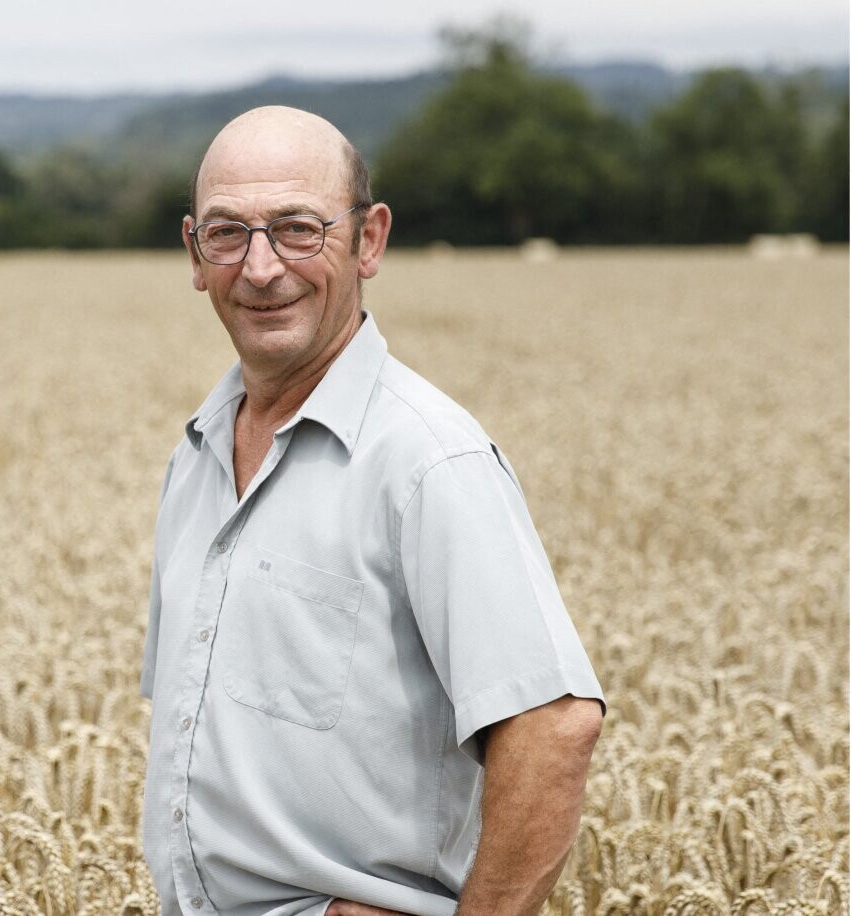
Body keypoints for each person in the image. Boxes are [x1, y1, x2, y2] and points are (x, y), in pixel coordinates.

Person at [139, 105, 606, 916]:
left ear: (370, 240)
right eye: (227, 234)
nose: (259, 268)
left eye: (297, 229)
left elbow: (554, 723)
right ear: (193, 252)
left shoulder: (427, 461)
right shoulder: (198, 452)